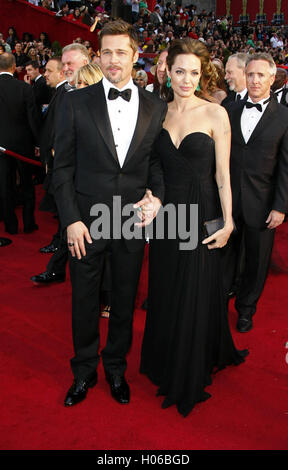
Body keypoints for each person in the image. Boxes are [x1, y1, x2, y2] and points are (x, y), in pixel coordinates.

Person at [52, 19, 167, 407]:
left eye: (121, 52)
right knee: (84, 300)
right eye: (107, 52)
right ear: (98, 56)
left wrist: (158, 198)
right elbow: (61, 167)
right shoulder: (74, 101)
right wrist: (70, 219)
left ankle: (116, 367)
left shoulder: (156, 105)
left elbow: (155, 163)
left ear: (137, 56)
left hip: (132, 221)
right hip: (85, 221)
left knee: (123, 298)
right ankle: (83, 371)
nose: (114, 59)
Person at [140, 38, 248, 417]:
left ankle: (190, 366)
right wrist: (151, 198)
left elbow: (222, 175)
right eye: (180, 71)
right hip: (169, 216)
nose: (187, 79)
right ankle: (166, 357)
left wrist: (229, 221)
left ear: (203, 74)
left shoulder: (216, 114)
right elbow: (153, 168)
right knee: (168, 286)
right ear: (167, 72)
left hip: (203, 212)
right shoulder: (158, 113)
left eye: (194, 72)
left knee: (196, 287)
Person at [225, 53, 288, 333]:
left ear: (272, 79)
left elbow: (286, 167)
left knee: (256, 261)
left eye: (261, 75)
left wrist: (281, 206)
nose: (254, 80)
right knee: (225, 254)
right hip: (228, 201)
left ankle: (246, 309)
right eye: (250, 74)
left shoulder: (285, 117)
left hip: (262, 203)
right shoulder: (229, 109)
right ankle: (222, 295)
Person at [30, 45, 89, 285]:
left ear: (85, 63)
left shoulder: (93, 91)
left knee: (71, 219)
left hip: (83, 171)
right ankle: (58, 265)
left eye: (70, 64)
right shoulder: (64, 89)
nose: (66, 68)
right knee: (68, 218)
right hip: (63, 165)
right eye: (63, 64)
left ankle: (59, 267)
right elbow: (53, 125)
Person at [0, 53, 39, 234]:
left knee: (5, 186)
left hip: (1, 146)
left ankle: (10, 226)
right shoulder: (25, 88)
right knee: (27, 185)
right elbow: (33, 120)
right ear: (14, 67)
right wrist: (38, 142)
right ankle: (29, 223)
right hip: (23, 144)